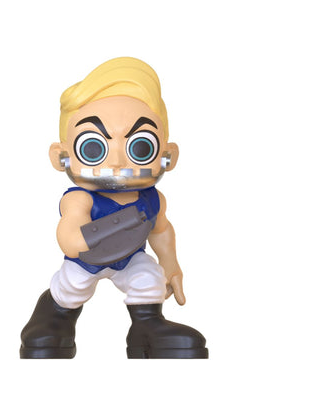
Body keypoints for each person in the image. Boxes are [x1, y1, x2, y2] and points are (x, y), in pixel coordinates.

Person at [20, 57, 208, 359]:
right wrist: (103, 228)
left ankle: (147, 326)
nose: (118, 161)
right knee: (72, 288)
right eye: (93, 148)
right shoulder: (80, 199)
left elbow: (161, 230)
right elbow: (70, 236)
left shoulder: (153, 199)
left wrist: (170, 263)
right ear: (61, 156)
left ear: (168, 155)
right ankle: (53, 318)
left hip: (130, 257)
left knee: (148, 279)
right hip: (86, 260)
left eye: (140, 146)